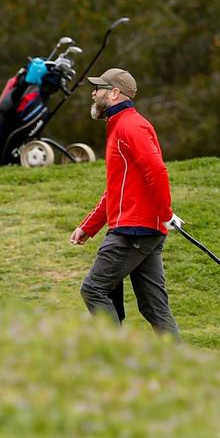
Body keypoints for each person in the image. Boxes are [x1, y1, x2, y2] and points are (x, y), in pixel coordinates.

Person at [69, 68, 179, 337]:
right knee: (154, 307)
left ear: (115, 93)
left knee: (93, 289)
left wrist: (165, 212)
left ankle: (115, 357)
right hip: (143, 230)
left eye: (99, 88)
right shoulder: (120, 125)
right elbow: (116, 190)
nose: (93, 94)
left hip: (133, 230)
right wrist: (89, 226)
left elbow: (157, 170)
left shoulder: (130, 126)